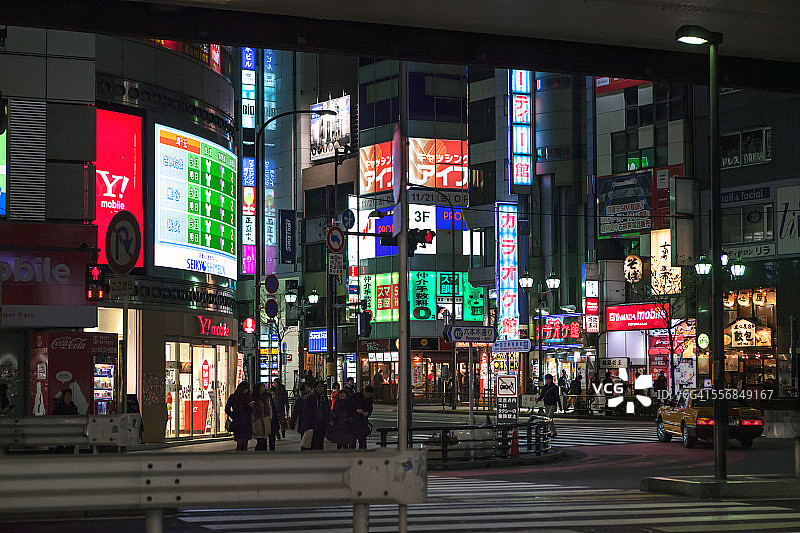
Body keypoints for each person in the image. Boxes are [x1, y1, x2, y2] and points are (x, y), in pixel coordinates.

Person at [225, 381, 252, 451]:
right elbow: (227, 409)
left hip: (245, 421)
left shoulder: (248, 397)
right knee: (240, 442)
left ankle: (241, 457)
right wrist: (234, 416)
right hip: (239, 421)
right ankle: (239, 456)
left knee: (244, 442)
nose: (246, 390)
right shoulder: (234, 397)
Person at [305, 381, 330, 450]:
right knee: (313, 443)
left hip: (322, 423)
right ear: (315, 388)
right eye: (319, 387)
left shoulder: (324, 397)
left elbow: (327, 409)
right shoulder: (311, 398)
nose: (321, 388)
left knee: (320, 442)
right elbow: (307, 411)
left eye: (322, 386)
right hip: (314, 423)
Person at [249, 383, 273, 452]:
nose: (263, 388)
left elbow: (269, 407)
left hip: (265, 420)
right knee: (260, 440)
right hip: (257, 420)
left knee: (264, 440)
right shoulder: (253, 397)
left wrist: (270, 418)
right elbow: (251, 409)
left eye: (263, 387)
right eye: (262, 387)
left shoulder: (266, 397)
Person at [290, 383, 313, 450]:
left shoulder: (313, 398)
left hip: (312, 423)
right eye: (306, 387)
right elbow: (295, 413)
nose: (308, 389)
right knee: (305, 441)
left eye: (309, 387)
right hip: (303, 423)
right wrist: (292, 423)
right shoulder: (299, 401)